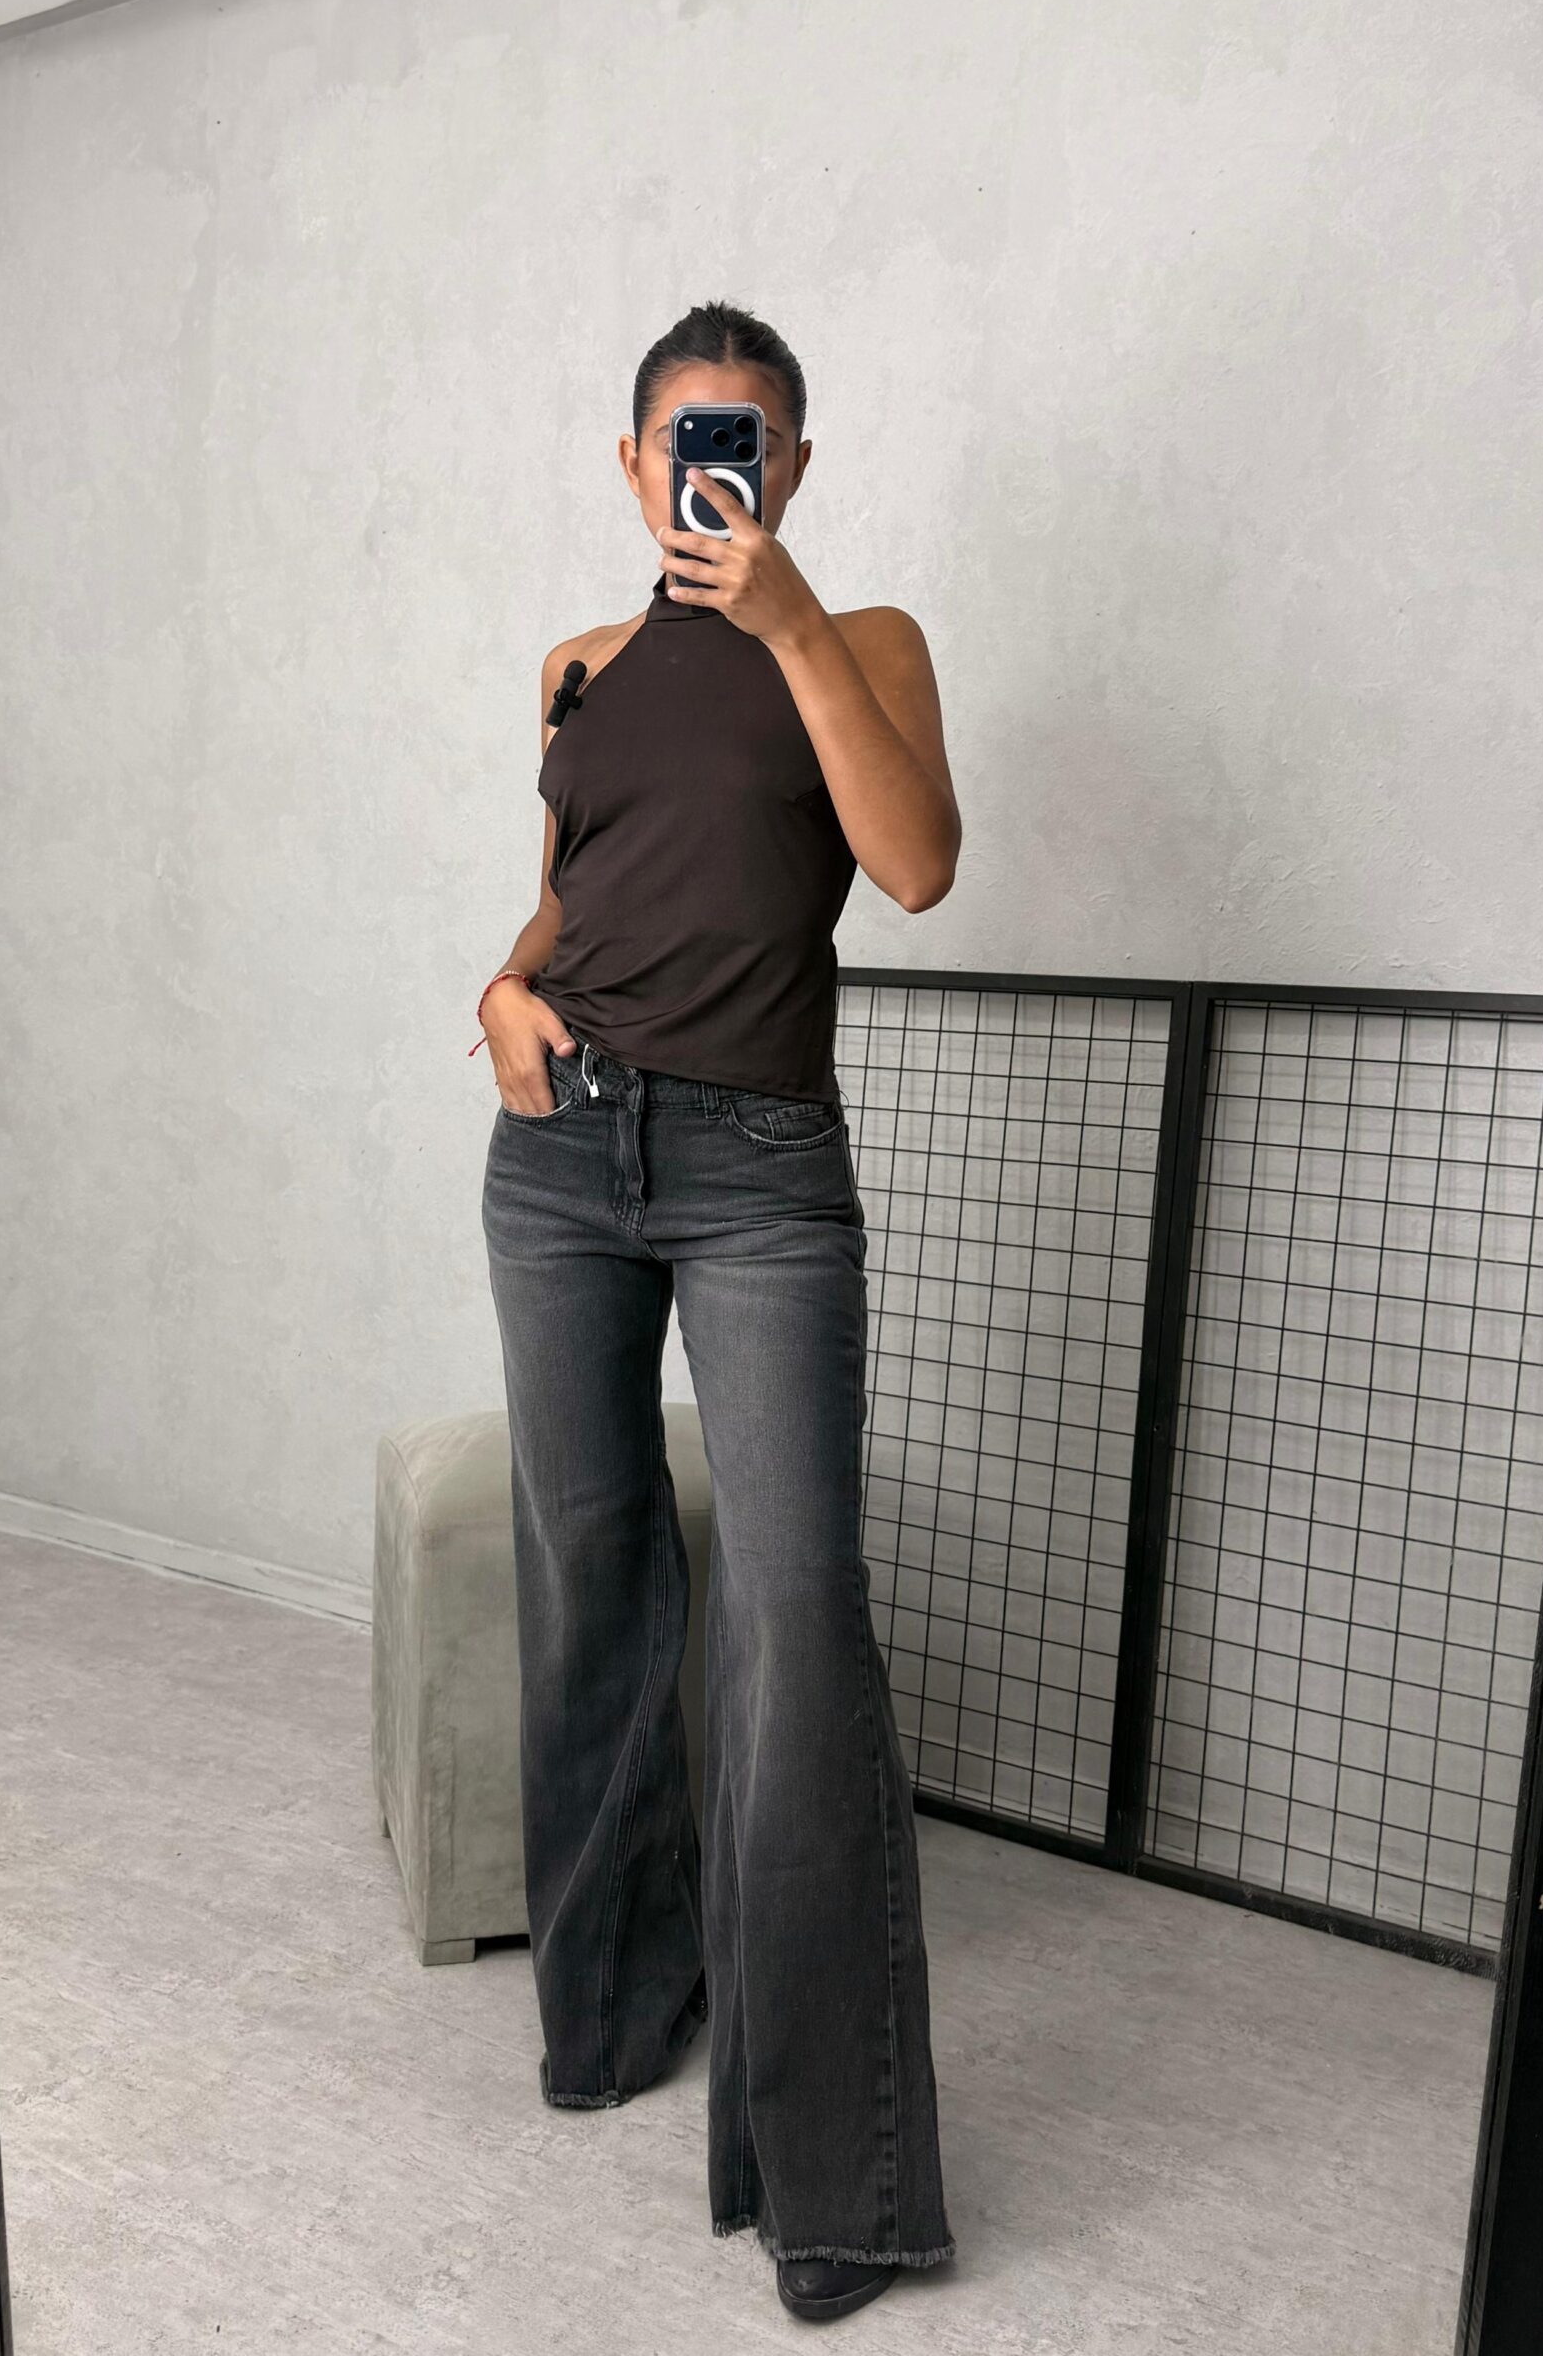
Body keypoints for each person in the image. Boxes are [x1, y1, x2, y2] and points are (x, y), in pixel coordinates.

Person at [474, 299, 962, 2323]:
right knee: (592, 1573)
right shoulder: (578, 666)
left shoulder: (867, 638)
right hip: (561, 1156)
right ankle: (611, 2008)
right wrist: (502, 987)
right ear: (630, 461)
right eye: (681, 437)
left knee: (794, 1623)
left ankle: (832, 2183)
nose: (711, 469)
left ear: (794, 465)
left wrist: (787, 619)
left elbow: (914, 865)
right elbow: (571, 891)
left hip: (761, 1172)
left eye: (744, 439)